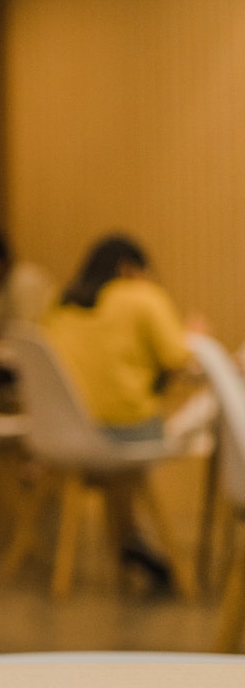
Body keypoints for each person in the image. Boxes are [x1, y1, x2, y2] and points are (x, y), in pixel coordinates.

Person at [41, 234, 205, 593]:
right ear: (129, 268)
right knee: (200, 413)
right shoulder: (142, 297)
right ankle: (146, 544)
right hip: (126, 434)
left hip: (65, 435)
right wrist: (192, 335)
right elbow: (179, 358)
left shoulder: (60, 303)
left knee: (120, 464)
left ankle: (131, 539)